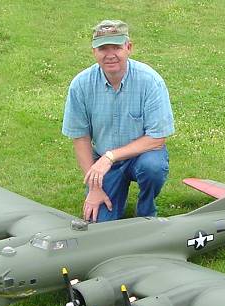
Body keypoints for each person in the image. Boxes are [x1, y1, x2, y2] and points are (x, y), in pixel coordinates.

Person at [62, 19, 175, 223]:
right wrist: (94, 187)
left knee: (153, 168)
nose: (110, 54)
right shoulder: (80, 85)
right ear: (94, 52)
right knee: (99, 223)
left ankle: (146, 210)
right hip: (104, 160)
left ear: (128, 47)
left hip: (142, 155)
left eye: (116, 47)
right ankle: (107, 193)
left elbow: (157, 138)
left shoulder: (151, 82)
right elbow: (80, 137)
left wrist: (110, 157)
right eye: (103, 48)